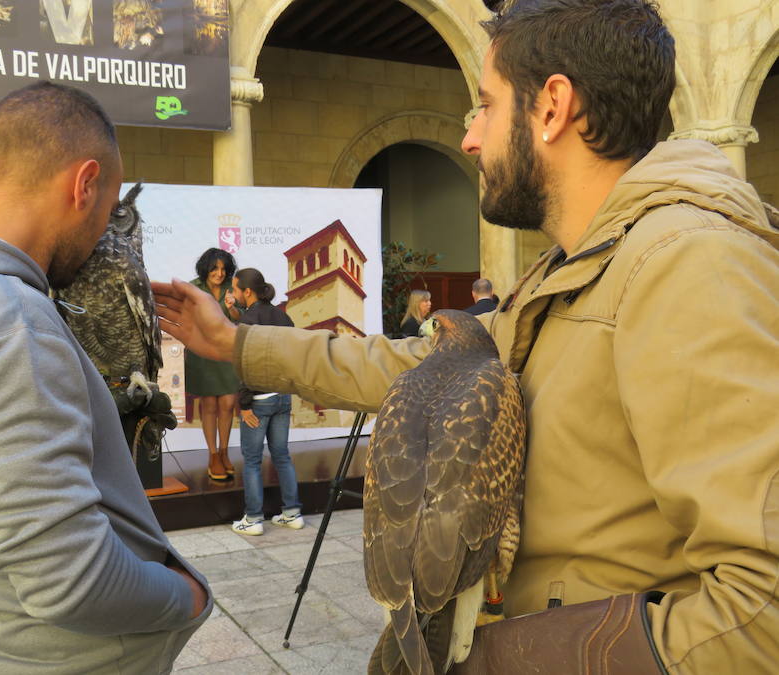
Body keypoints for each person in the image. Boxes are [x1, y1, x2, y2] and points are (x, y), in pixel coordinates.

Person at [152, 0, 779, 671]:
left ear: (552, 107)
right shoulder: (574, 263)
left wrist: (511, 660)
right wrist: (236, 344)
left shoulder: (689, 263)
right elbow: (426, 365)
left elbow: (760, 611)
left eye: (484, 105)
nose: (471, 136)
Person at [0, 82, 211, 674]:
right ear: (84, 184)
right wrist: (185, 596)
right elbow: (68, 577)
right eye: (108, 211)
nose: (105, 233)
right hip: (66, 658)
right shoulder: (8, 321)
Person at [228, 268, 303, 536]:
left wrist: (245, 404)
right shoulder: (282, 316)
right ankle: (292, 513)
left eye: (236, 289)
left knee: (251, 460)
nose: (234, 294)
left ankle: (253, 519)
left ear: (247, 292)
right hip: (283, 396)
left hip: (258, 399)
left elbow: (245, 364)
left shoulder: (249, 320)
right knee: (282, 455)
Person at [186, 247, 240, 480]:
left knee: (227, 404)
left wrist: (231, 308)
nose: (219, 273)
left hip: (227, 352)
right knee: (209, 405)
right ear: (206, 268)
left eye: (223, 268)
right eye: (215, 268)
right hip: (202, 353)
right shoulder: (193, 287)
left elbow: (240, 318)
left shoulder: (232, 287)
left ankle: (225, 452)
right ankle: (213, 454)